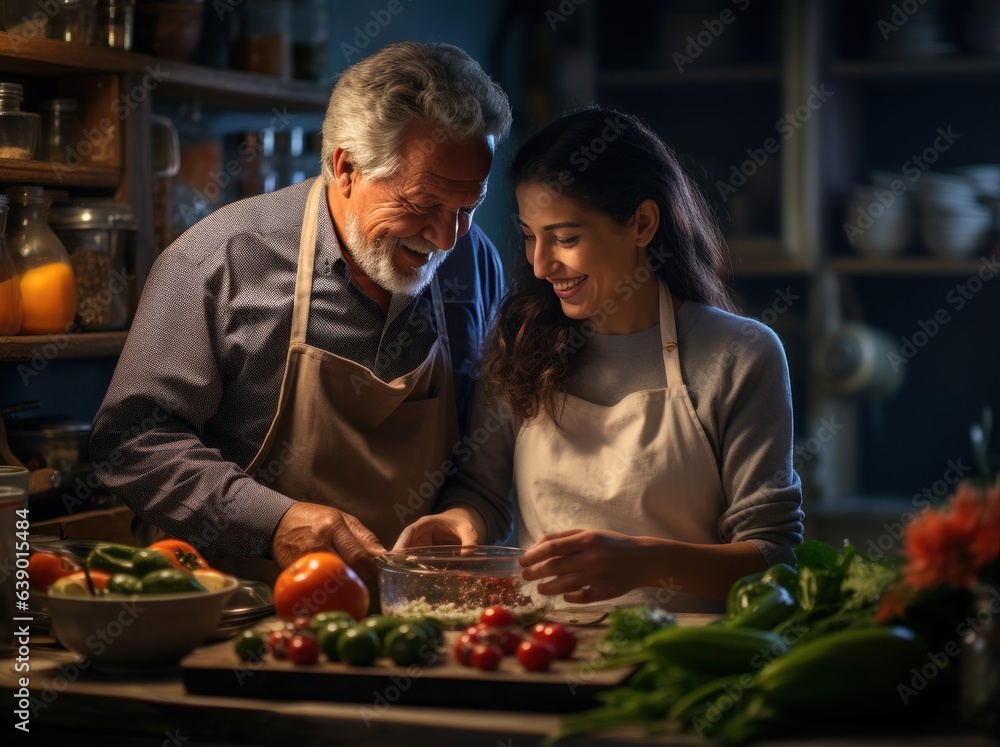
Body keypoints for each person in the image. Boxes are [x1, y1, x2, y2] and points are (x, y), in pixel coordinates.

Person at [89, 41, 512, 587]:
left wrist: (467, 514)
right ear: (346, 167)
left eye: (466, 209)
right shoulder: (216, 260)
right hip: (237, 615)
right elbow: (128, 441)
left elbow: (486, 458)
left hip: (412, 619)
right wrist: (273, 523)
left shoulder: (474, 263)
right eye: (423, 204)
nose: (446, 238)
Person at [396, 107, 804, 613]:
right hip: (544, 652)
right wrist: (463, 520)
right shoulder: (517, 341)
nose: (541, 265)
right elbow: (485, 490)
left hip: (683, 663)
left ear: (642, 224)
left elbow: (773, 558)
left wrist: (642, 563)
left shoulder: (741, 355)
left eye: (566, 238)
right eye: (529, 236)